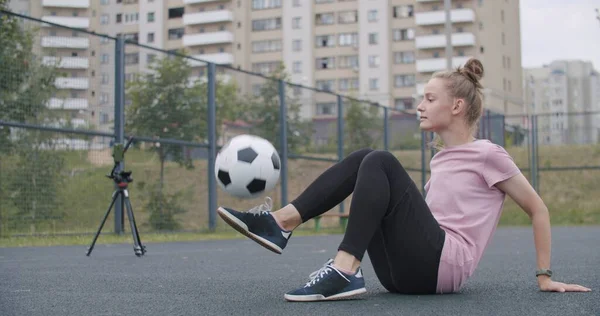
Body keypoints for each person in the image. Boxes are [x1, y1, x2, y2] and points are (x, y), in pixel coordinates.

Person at [217, 58, 592, 302]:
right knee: (367, 157)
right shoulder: (442, 158)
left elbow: (537, 208)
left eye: (429, 99)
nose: (420, 106)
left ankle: (344, 267)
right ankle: (280, 223)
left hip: (444, 266)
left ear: (457, 106)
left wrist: (545, 276)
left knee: (378, 159)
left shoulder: (488, 154)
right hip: (403, 275)